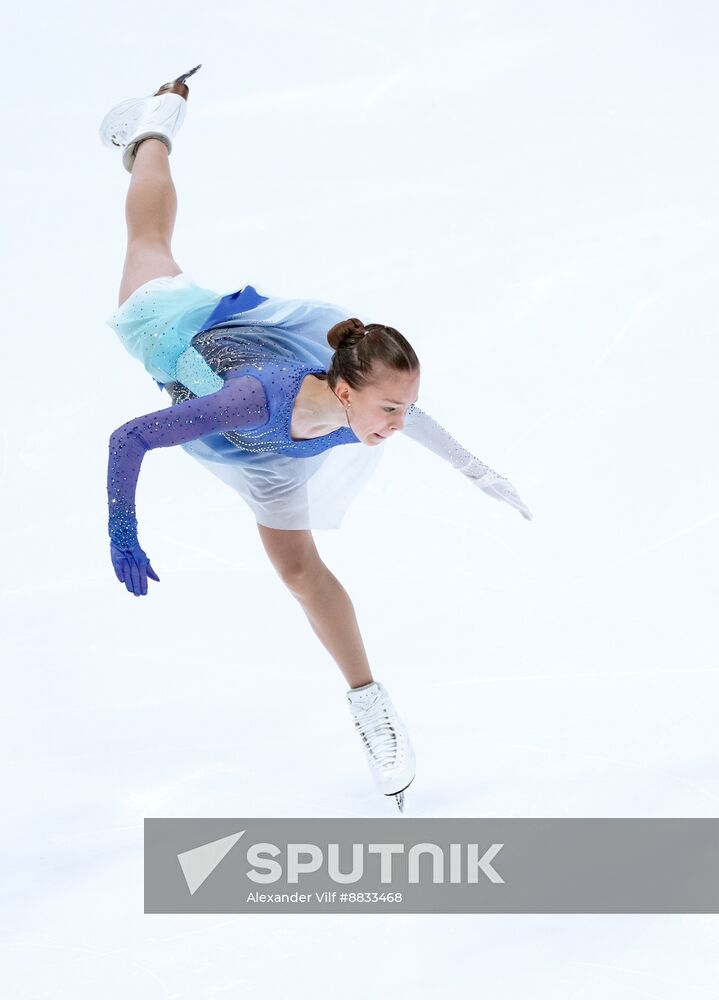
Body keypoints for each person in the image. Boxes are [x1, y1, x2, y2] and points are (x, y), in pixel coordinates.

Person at [99, 66, 533, 811]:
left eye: (403, 409)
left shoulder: (361, 403)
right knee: (147, 238)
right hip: (174, 331)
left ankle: (369, 706)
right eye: (388, 412)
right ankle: (152, 129)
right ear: (344, 390)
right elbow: (131, 436)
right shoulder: (248, 400)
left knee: (302, 573)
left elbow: (419, 421)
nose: (397, 426)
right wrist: (122, 525)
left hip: (280, 454)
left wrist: (478, 473)